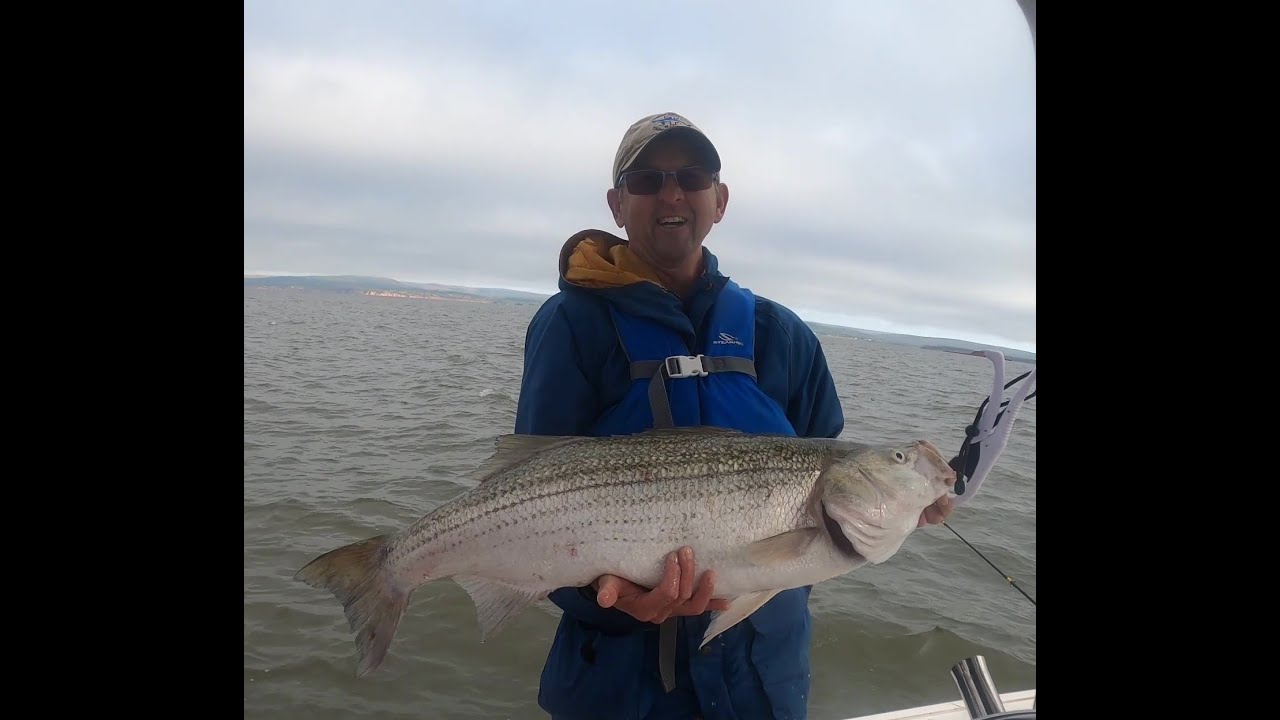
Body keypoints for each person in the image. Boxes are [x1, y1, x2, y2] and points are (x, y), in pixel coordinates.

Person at [514, 112, 953, 720]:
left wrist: (908, 504)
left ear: (718, 200)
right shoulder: (571, 327)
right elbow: (530, 492)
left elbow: (835, 469)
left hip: (760, 683)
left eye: (691, 176)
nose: (671, 193)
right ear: (617, 204)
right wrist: (605, 598)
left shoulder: (782, 335)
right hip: (617, 687)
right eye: (647, 179)